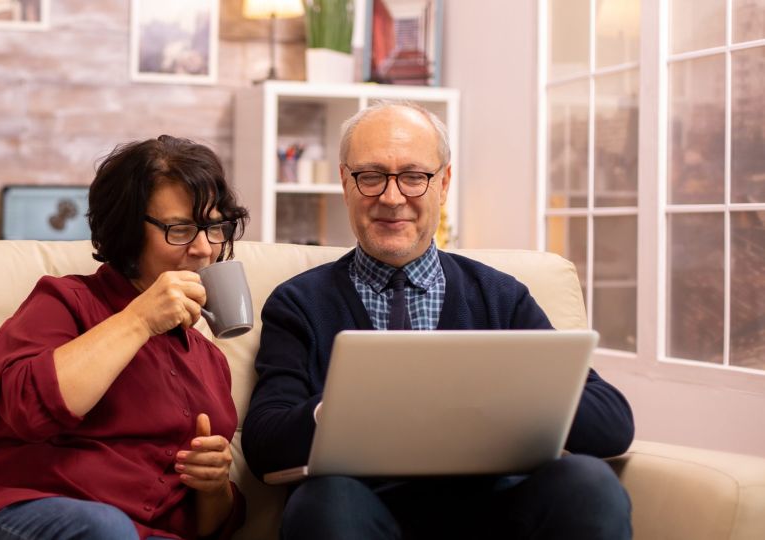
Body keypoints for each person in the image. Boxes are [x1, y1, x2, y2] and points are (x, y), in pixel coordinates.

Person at [241, 101, 636, 540]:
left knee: (589, 484)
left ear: (443, 183)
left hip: (496, 510)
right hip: (361, 509)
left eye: (414, 176)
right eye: (370, 176)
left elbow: (613, 425)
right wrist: (345, 407)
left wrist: (509, 383)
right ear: (345, 182)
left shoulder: (502, 297)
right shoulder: (299, 303)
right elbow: (263, 445)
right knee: (323, 501)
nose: (392, 199)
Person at [0, 135, 250, 540]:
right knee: (105, 528)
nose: (203, 248)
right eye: (181, 229)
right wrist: (138, 319)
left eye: (214, 228)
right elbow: (28, 409)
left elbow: (205, 526)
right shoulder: (65, 301)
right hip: (14, 520)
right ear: (127, 231)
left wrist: (212, 487)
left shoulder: (209, 361)